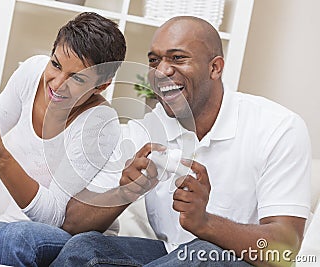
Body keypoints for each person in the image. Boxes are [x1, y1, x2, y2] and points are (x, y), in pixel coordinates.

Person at [49, 16, 311, 266]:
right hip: (168, 255)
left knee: (200, 253)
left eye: (177, 58)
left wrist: (205, 223)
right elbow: (73, 224)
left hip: (239, 260)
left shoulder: (278, 127)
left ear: (215, 67)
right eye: (154, 61)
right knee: (85, 248)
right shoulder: (146, 130)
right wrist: (125, 192)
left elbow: (284, 250)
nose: (161, 71)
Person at [0, 12, 126, 266]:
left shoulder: (99, 124)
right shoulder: (31, 72)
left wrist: (1, 158)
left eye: (77, 78)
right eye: (56, 64)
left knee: (11, 240)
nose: (57, 84)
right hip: (14, 223)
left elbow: (56, 217)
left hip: (69, 236)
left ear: (101, 86)